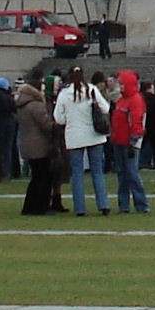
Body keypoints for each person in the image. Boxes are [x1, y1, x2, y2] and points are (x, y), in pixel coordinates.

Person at [54, 67, 112, 216]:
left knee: (77, 173)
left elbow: (58, 118)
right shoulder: (91, 89)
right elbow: (106, 108)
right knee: (97, 171)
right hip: (94, 135)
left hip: (74, 136)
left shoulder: (64, 94)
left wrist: (70, 118)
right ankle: (103, 204)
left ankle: (80, 208)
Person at [109, 70, 150, 213]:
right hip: (119, 141)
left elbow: (137, 122)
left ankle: (141, 204)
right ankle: (124, 204)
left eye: (121, 83)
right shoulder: (123, 99)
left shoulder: (135, 100)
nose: (119, 86)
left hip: (128, 143)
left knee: (131, 173)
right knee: (122, 174)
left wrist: (133, 141)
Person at [17, 80, 58, 217]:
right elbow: (46, 125)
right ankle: (41, 206)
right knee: (44, 177)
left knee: (36, 177)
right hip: (40, 144)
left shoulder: (22, 106)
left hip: (28, 144)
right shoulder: (36, 106)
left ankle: (29, 206)